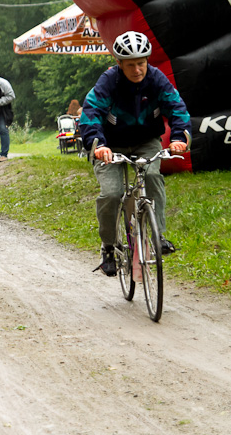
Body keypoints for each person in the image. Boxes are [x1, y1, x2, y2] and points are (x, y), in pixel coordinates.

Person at [79, 31, 191, 276]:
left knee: (152, 178)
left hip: (145, 142)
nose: (137, 69)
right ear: (119, 63)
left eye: (141, 63)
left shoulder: (156, 79)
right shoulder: (109, 81)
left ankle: (159, 236)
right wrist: (98, 145)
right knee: (112, 193)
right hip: (109, 146)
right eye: (131, 65)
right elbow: (90, 113)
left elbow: (176, 106)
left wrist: (179, 137)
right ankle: (108, 246)